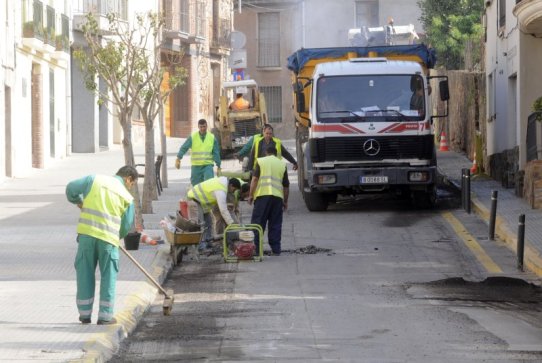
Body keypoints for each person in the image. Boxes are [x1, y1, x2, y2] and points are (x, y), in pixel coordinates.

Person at [65, 165, 138, 325]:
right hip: (108, 241)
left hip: (86, 237)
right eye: (132, 184)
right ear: (128, 179)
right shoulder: (127, 197)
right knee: (108, 275)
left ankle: (84, 314)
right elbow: (126, 226)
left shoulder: (94, 180)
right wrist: (116, 236)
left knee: (85, 274)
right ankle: (105, 316)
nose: (130, 188)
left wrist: (79, 202)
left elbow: (70, 188)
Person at [248, 145, 289, 256]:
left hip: (262, 197)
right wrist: (285, 201)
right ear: (276, 154)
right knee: (275, 224)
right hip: (277, 198)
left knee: (258, 223)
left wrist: (251, 195)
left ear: (266, 153)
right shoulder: (282, 164)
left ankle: (256, 250)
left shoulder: (261, 161)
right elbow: (286, 186)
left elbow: (255, 179)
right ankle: (276, 249)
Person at [186, 177, 242, 249]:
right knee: (200, 224)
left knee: (209, 223)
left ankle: (208, 242)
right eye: (234, 189)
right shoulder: (221, 190)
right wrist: (231, 224)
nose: (233, 192)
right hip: (194, 199)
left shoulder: (223, 182)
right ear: (231, 185)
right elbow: (223, 210)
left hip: (201, 202)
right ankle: (200, 246)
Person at [175, 119, 221, 186]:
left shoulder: (212, 137)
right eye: (201, 127)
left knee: (209, 184)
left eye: (204, 126)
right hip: (196, 167)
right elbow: (184, 147)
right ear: (198, 127)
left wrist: (218, 166)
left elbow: (216, 152)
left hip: (207, 166)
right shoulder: (193, 137)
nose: (203, 128)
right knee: (196, 187)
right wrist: (178, 158)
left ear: (207, 126)